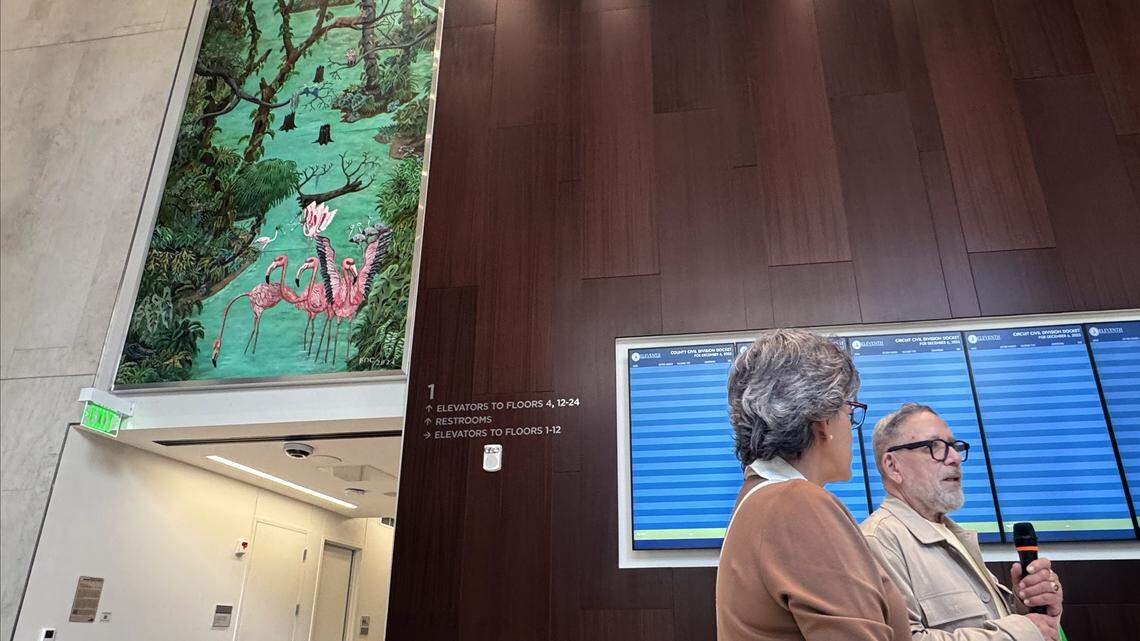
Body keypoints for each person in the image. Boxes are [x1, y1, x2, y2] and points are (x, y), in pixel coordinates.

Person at [716, 329, 910, 641]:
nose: (852, 427)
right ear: (823, 422)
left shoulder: (760, 497)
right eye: (849, 411)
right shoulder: (796, 504)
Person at [861, 403, 1064, 641]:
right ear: (892, 466)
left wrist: (1028, 606)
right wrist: (1021, 632)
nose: (955, 458)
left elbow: (992, 625)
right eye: (934, 447)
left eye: (954, 446)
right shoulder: (879, 540)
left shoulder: (953, 534)